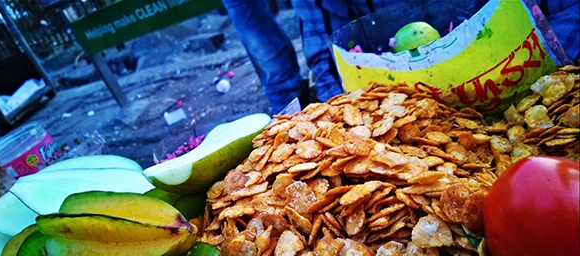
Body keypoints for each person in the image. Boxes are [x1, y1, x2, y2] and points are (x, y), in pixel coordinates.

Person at [224, 0, 579, 112]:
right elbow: (326, 43)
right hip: (402, 103)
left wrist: (556, 55)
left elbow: (566, 12)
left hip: (530, 82)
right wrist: (346, 118)